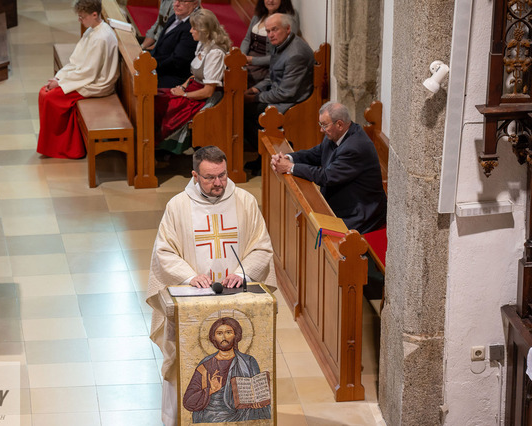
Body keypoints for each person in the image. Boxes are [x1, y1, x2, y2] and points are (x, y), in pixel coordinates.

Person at [146, 146, 275, 426]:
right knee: (185, 359)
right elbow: (164, 251)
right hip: (194, 297)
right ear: (194, 176)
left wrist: (241, 273)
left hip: (236, 297)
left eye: (222, 175)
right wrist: (189, 276)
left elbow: (262, 248)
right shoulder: (178, 206)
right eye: (210, 177)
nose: (218, 183)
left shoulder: (245, 201)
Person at [270, 102, 387, 234]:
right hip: (342, 201)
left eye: (324, 125)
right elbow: (315, 154)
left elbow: (326, 176)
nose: (321, 130)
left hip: (360, 213)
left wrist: (290, 167)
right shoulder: (336, 135)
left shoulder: (355, 147)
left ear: (339, 124)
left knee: (316, 232)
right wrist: (288, 158)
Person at [36, 0, 119, 159]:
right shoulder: (91, 30)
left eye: (82, 17)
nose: (79, 20)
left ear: (94, 15)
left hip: (96, 84)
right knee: (44, 92)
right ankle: (54, 145)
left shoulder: (101, 38)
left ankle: (67, 148)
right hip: (85, 77)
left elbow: (89, 73)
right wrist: (59, 77)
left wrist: (60, 84)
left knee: (49, 97)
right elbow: (76, 61)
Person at [243, 13, 314, 174]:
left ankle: (267, 157)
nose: (270, 35)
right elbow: (271, 77)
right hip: (282, 95)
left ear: (288, 29)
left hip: (294, 102)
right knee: (243, 109)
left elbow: (286, 93)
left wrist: (253, 98)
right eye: (268, 31)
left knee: (249, 112)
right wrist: (255, 89)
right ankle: (263, 155)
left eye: (274, 30)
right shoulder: (280, 45)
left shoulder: (295, 54)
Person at [154, 8, 231, 154]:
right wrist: (182, 87)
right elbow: (194, 76)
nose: (190, 31)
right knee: (157, 97)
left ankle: (160, 148)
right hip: (193, 89)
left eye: (194, 28)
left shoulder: (215, 53)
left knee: (163, 106)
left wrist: (184, 95)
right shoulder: (202, 43)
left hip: (203, 99)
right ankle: (156, 147)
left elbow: (208, 91)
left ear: (204, 31)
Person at [183, 317, 271, 422]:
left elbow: (258, 392)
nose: (224, 337)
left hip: (243, 415)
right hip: (211, 417)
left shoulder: (248, 362)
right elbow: (188, 401)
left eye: (228, 332)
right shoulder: (205, 366)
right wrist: (210, 390)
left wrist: (258, 403)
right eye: (219, 333)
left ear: (236, 335)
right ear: (213, 337)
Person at [239, 0, 299, 86]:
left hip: (267, 66)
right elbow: (247, 39)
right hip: (248, 60)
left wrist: (253, 60)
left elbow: (281, 56)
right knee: (230, 70)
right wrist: (242, 56)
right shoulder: (259, 14)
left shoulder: (287, 18)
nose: (270, 1)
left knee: (242, 78)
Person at [151, 0, 199, 88]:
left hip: (173, 77)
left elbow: (178, 60)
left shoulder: (193, 26)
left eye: (182, 1)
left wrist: (151, 66)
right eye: (175, 0)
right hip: (158, 66)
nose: (176, 4)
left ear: (195, 3)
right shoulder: (177, 16)